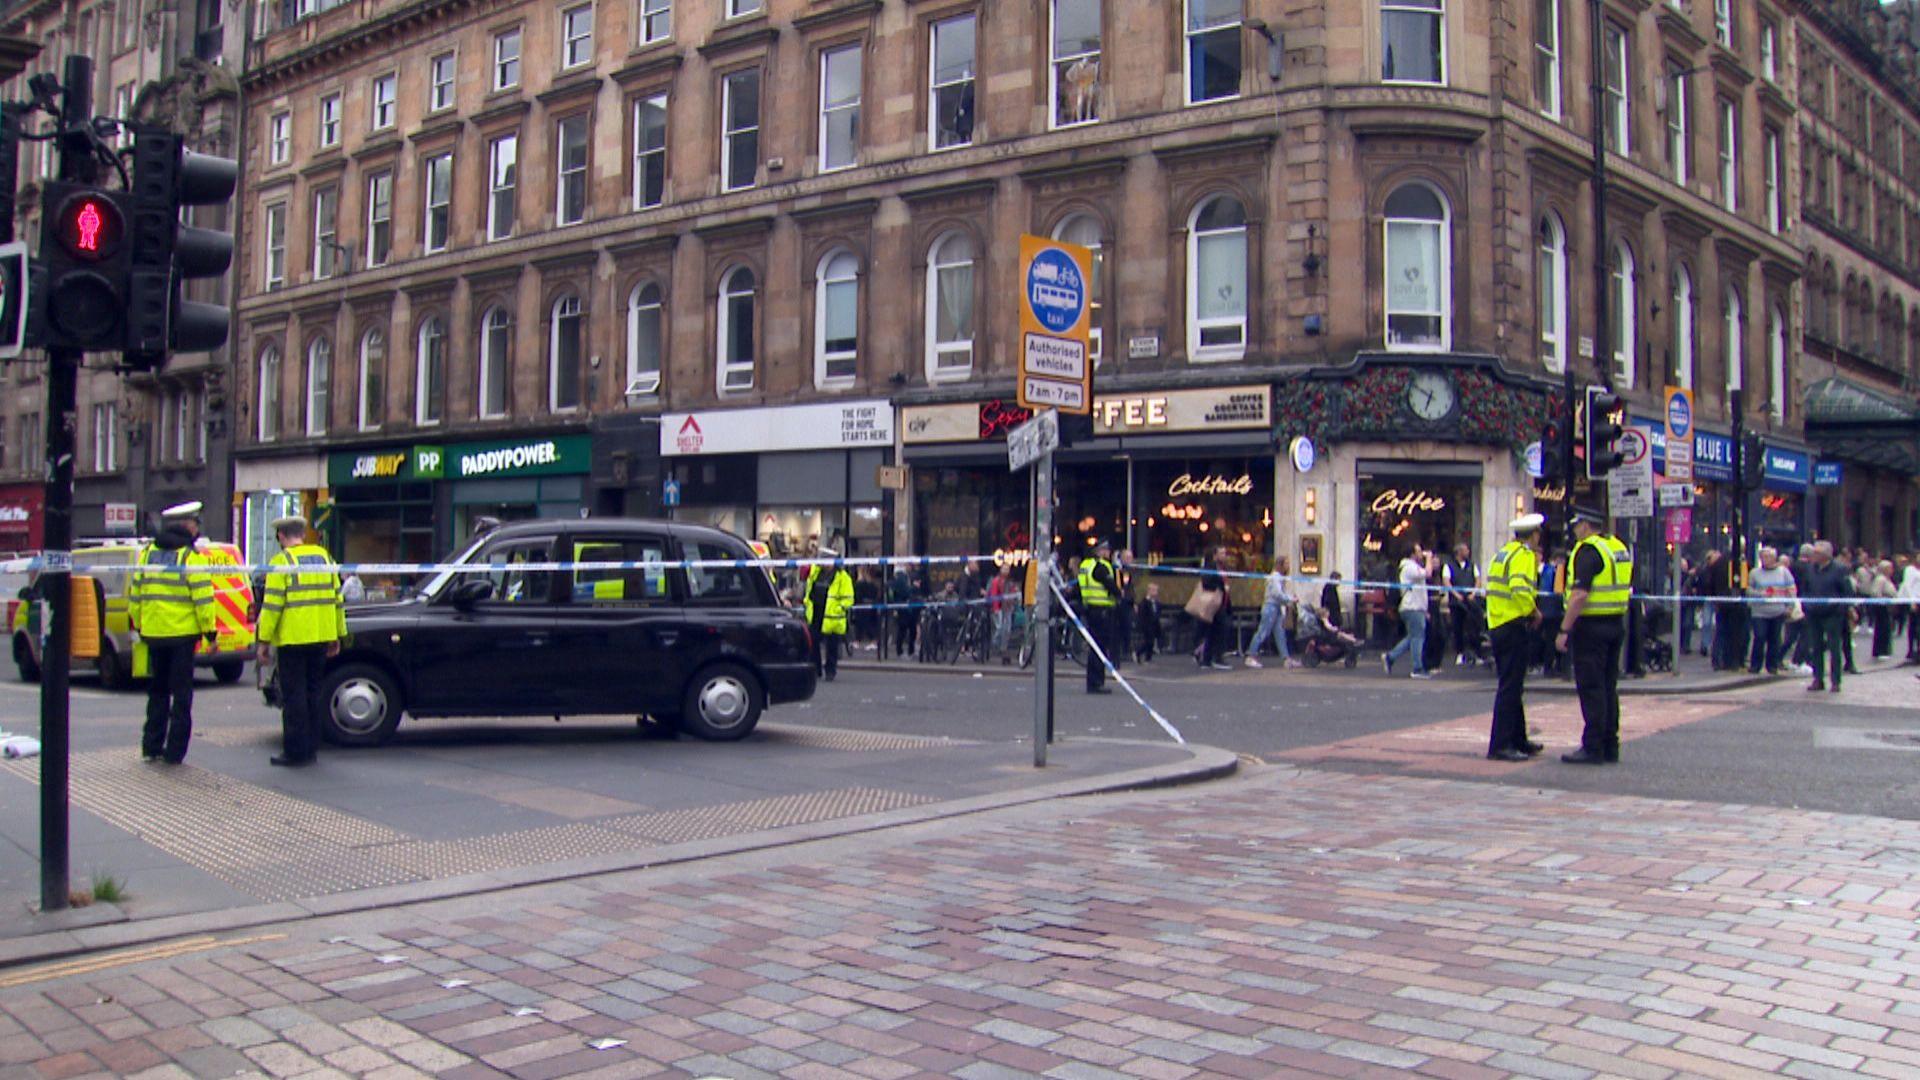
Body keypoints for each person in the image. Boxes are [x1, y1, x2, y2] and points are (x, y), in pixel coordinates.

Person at [129, 501, 216, 764]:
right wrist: (210, 634)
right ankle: (174, 752)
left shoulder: (146, 554)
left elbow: (136, 594)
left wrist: (140, 624)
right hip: (182, 637)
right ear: (189, 526)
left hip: (154, 634)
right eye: (196, 524)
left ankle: (151, 746)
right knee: (181, 696)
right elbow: (203, 600)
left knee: (157, 691)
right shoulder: (190, 558)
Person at [255, 516, 346, 767]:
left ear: (282, 537)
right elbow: (338, 599)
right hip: (320, 636)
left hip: (293, 639)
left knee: (293, 696)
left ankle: (294, 751)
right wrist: (338, 634)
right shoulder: (325, 558)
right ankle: (311, 749)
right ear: (303, 535)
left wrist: (264, 641)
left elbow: (272, 605)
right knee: (313, 692)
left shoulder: (282, 562)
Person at [1557, 507, 1632, 765]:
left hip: (1591, 627)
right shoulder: (1617, 546)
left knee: (1591, 687)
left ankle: (1593, 746)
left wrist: (1564, 629)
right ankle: (1610, 744)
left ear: (1586, 526)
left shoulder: (1588, 550)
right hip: (1615, 622)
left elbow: (1580, 594)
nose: (1575, 531)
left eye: (1577, 526)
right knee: (1609, 686)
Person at [1485, 514, 1546, 761]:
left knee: (1513, 684)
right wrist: (1533, 610)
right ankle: (1500, 745)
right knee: (1510, 687)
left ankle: (1518, 739)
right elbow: (1519, 589)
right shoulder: (1523, 555)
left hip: (1498, 622)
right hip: (1513, 624)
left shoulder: (1502, 554)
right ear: (1533, 535)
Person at [1801, 541, 1853, 691]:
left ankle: (1835, 681)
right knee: (1815, 647)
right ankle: (1818, 679)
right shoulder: (1810, 570)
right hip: (1813, 613)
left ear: (1825, 555)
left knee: (1834, 647)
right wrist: (1807, 606)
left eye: (1816, 553)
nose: (1813, 556)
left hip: (1832, 615)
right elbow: (1805, 589)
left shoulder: (1839, 570)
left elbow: (1847, 592)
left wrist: (1840, 610)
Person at [1382, 544, 1433, 679]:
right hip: (1412, 607)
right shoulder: (1409, 567)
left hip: (1416, 606)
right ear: (1412, 554)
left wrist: (1424, 609)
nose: (1421, 553)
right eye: (1419, 551)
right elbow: (1428, 573)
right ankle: (1417, 668)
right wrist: (1429, 559)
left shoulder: (1412, 566)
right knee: (1418, 637)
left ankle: (1391, 656)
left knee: (1412, 636)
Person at [804, 548, 855, 681]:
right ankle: (817, 669)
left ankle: (830, 671)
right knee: (813, 642)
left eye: (826, 560)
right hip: (816, 613)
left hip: (833, 617)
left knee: (832, 646)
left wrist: (839, 608)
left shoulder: (843, 577)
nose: (823, 563)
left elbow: (849, 598)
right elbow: (809, 589)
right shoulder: (816, 573)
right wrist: (807, 604)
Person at [1747, 547, 1797, 675]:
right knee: (1759, 637)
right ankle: (1755, 665)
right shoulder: (1754, 573)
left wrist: (1790, 606)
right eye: (1763, 557)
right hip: (1759, 611)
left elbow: (1791, 590)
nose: (1765, 560)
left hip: (1777, 611)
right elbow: (1748, 590)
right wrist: (1760, 594)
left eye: (1768, 557)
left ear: (1774, 558)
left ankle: (1772, 666)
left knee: (1774, 639)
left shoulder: (1783, 572)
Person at [1078, 540, 1120, 693]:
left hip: (1090, 609)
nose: (1108, 553)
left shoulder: (1085, 565)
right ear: (1100, 551)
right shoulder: (1101, 567)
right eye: (1106, 550)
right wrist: (1119, 594)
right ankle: (1096, 682)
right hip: (1102, 611)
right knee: (1100, 648)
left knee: (1094, 647)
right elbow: (1111, 586)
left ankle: (1093, 682)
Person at [1245, 556, 1300, 669]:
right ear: (1280, 565)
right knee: (1263, 632)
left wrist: (1288, 599)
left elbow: (1280, 594)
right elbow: (1277, 594)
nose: (1288, 566)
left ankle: (1286, 658)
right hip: (1270, 608)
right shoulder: (1275, 577)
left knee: (1280, 634)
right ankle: (1251, 656)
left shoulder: (1279, 577)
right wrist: (1290, 599)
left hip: (1276, 607)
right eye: (1286, 564)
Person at [1193, 548, 1233, 670]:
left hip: (1222, 602)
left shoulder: (1222, 568)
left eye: (1225, 553)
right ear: (1215, 555)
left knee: (1215, 630)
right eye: (1222, 553)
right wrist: (1219, 587)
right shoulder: (1210, 567)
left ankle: (1208, 658)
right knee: (1219, 628)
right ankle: (1214, 657)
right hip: (1213, 602)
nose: (1224, 555)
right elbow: (1206, 582)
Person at [1445, 543, 1480, 667]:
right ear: (1459, 552)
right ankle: (1459, 653)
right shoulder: (1449, 566)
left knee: (1473, 626)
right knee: (1457, 628)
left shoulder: (1472, 565)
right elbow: (1447, 582)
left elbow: (1477, 580)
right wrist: (1456, 594)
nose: (1468, 552)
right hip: (1456, 602)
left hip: (1470, 600)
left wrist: (1473, 593)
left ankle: (1474, 652)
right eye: (1465, 550)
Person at [987, 563, 1018, 663]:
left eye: (1007, 569)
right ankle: (994, 645)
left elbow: (1013, 594)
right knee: (999, 627)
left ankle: (1003, 648)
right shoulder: (996, 581)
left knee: (1007, 629)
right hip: (999, 608)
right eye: (1004, 569)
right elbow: (994, 594)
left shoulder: (1010, 582)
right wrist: (995, 608)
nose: (1006, 571)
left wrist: (1013, 603)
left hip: (1007, 608)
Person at [1869, 560, 1899, 660]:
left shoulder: (1887, 579)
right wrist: (1883, 601)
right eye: (1889, 568)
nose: (1891, 570)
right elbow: (1875, 593)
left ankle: (1885, 650)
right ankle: (1881, 651)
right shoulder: (1880, 579)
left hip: (1887, 606)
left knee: (1887, 629)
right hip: (1882, 607)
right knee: (1882, 629)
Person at [1134, 582, 1161, 662]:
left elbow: (1158, 612)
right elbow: (1142, 614)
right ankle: (1138, 653)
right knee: (1148, 641)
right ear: (1149, 591)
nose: (1156, 592)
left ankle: (1148, 658)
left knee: (1151, 642)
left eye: (1156, 590)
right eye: (1154, 590)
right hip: (1147, 625)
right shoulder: (1144, 602)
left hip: (1154, 625)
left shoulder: (1157, 602)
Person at [1901, 558, 1920, 663]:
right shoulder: (1910, 570)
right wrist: (1911, 600)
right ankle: (1911, 649)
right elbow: (1908, 585)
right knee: (1914, 626)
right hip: (1914, 601)